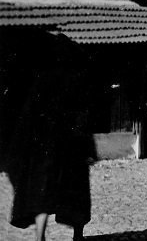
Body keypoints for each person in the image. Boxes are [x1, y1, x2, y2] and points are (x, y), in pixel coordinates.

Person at [6, 36, 95, 241]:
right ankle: (78, 235)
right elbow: (83, 116)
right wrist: (87, 148)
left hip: (43, 147)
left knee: (41, 193)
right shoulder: (77, 79)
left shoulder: (41, 80)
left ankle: (39, 236)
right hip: (70, 146)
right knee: (76, 193)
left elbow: (29, 116)